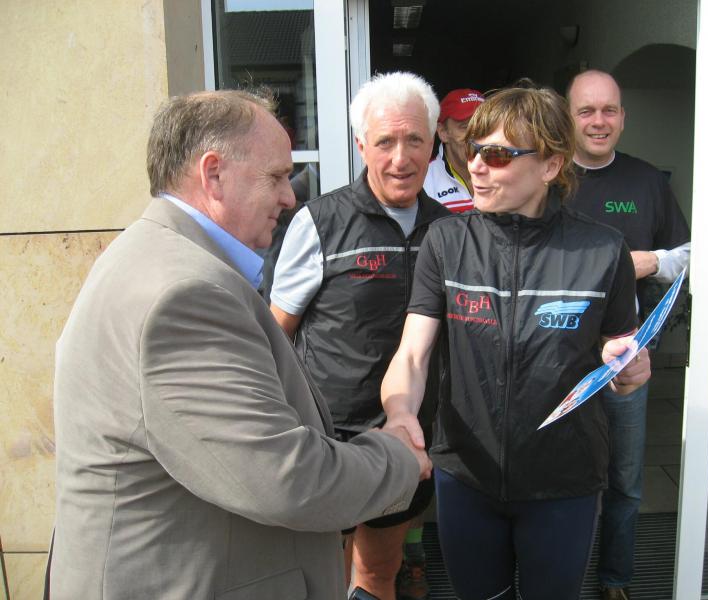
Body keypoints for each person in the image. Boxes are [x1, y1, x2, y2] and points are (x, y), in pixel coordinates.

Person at [49, 89, 432, 600]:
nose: (290, 197)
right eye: (276, 177)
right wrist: (398, 457)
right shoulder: (185, 295)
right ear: (213, 175)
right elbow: (288, 480)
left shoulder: (157, 258)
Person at [381, 86, 651, 600]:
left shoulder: (602, 249)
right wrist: (398, 412)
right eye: (474, 149)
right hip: (466, 475)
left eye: (499, 154)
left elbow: (620, 353)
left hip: (563, 482)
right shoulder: (446, 241)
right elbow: (413, 353)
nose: (476, 166)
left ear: (550, 165)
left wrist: (630, 371)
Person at [270, 72, 450, 600]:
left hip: (408, 437)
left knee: (377, 573)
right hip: (330, 441)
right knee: (323, 577)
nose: (401, 158)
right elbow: (275, 333)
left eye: (414, 140)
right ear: (360, 146)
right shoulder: (319, 222)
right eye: (385, 141)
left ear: (434, 144)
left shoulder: (449, 230)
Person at [566, 69, 691, 600]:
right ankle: (560, 576)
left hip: (625, 360)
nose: (599, 121)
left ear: (623, 118)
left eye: (609, 110)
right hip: (557, 357)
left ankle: (615, 577)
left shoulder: (646, 181)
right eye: (586, 111)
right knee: (560, 478)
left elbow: (688, 256)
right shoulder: (549, 179)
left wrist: (649, 261)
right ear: (568, 118)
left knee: (625, 480)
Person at [423, 88, 484, 213]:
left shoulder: (508, 174)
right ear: (443, 132)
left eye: (484, 126)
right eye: (465, 127)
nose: (476, 136)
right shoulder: (423, 180)